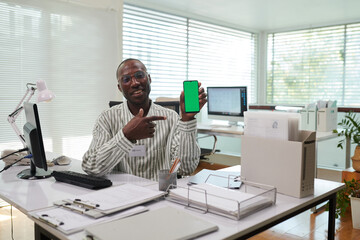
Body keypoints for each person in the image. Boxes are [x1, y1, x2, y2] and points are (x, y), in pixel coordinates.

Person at [82, 58, 207, 180]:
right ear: (120, 87)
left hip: (160, 194)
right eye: (126, 79)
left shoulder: (171, 118)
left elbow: (186, 169)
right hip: (121, 195)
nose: (135, 83)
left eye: (139, 75)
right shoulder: (107, 118)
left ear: (149, 79)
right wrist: (126, 136)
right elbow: (91, 168)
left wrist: (186, 120)